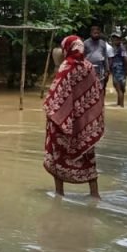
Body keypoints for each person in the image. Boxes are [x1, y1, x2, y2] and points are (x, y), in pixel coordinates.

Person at [42, 35, 106, 199]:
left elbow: (56, 98)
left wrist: (53, 115)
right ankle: (94, 193)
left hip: (64, 122)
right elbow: (96, 94)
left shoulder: (66, 67)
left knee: (59, 155)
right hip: (84, 123)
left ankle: (59, 193)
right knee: (87, 156)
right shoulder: (89, 67)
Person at [83, 26, 109, 92]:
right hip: (89, 68)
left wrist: (107, 70)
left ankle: (100, 101)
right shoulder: (85, 43)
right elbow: (82, 57)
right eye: (94, 33)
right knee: (89, 87)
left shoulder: (103, 43)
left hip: (100, 68)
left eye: (98, 33)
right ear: (91, 33)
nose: (96, 34)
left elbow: (105, 57)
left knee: (100, 87)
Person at [108, 34, 127, 107]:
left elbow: (126, 59)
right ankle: (119, 104)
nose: (114, 41)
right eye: (114, 40)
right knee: (119, 88)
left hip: (119, 70)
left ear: (120, 40)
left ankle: (121, 106)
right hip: (117, 69)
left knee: (119, 88)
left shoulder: (122, 48)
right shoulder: (117, 48)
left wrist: (125, 69)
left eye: (116, 39)